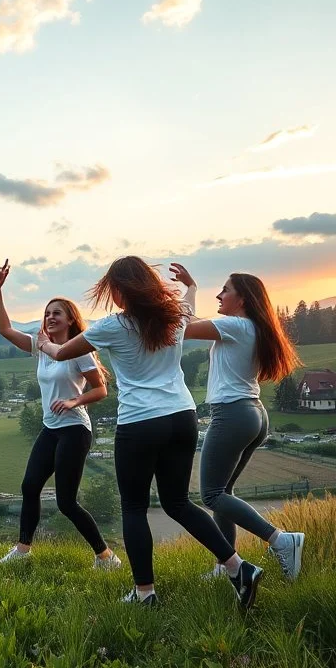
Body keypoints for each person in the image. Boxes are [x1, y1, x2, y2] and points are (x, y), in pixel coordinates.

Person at [38, 256, 263, 610]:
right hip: (182, 417)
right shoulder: (174, 316)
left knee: (133, 506)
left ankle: (144, 593)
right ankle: (238, 568)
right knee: (178, 502)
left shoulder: (113, 325)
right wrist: (192, 287)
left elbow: (64, 352)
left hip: (140, 422)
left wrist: (44, 345)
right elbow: (188, 306)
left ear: (117, 290)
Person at [170, 264, 306, 581]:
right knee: (224, 492)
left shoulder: (237, 325)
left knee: (211, 495)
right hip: (253, 413)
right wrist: (191, 288)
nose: (220, 295)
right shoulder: (251, 328)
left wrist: (191, 290)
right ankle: (224, 565)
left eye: (225, 290)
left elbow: (184, 326)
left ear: (242, 299)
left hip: (232, 414)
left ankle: (281, 540)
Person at [0, 260, 120, 570]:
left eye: (56, 313)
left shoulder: (80, 350)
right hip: (50, 428)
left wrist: (75, 401)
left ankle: (106, 557)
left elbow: (101, 389)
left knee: (66, 502)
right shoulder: (40, 347)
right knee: (30, 486)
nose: (49, 317)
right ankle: (22, 551)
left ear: (70, 320)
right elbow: (6, 330)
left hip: (75, 430)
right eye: (47, 313)